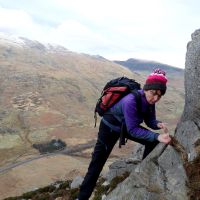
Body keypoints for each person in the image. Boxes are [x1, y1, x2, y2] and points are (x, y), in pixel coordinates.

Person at [77, 69, 171, 200]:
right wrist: (157, 136)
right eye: (153, 93)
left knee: (152, 142)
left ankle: (143, 172)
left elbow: (149, 120)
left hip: (124, 125)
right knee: (97, 164)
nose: (155, 98)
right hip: (109, 128)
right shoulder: (130, 101)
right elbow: (133, 130)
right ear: (146, 89)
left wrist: (158, 124)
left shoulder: (150, 101)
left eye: (159, 96)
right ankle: (82, 197)